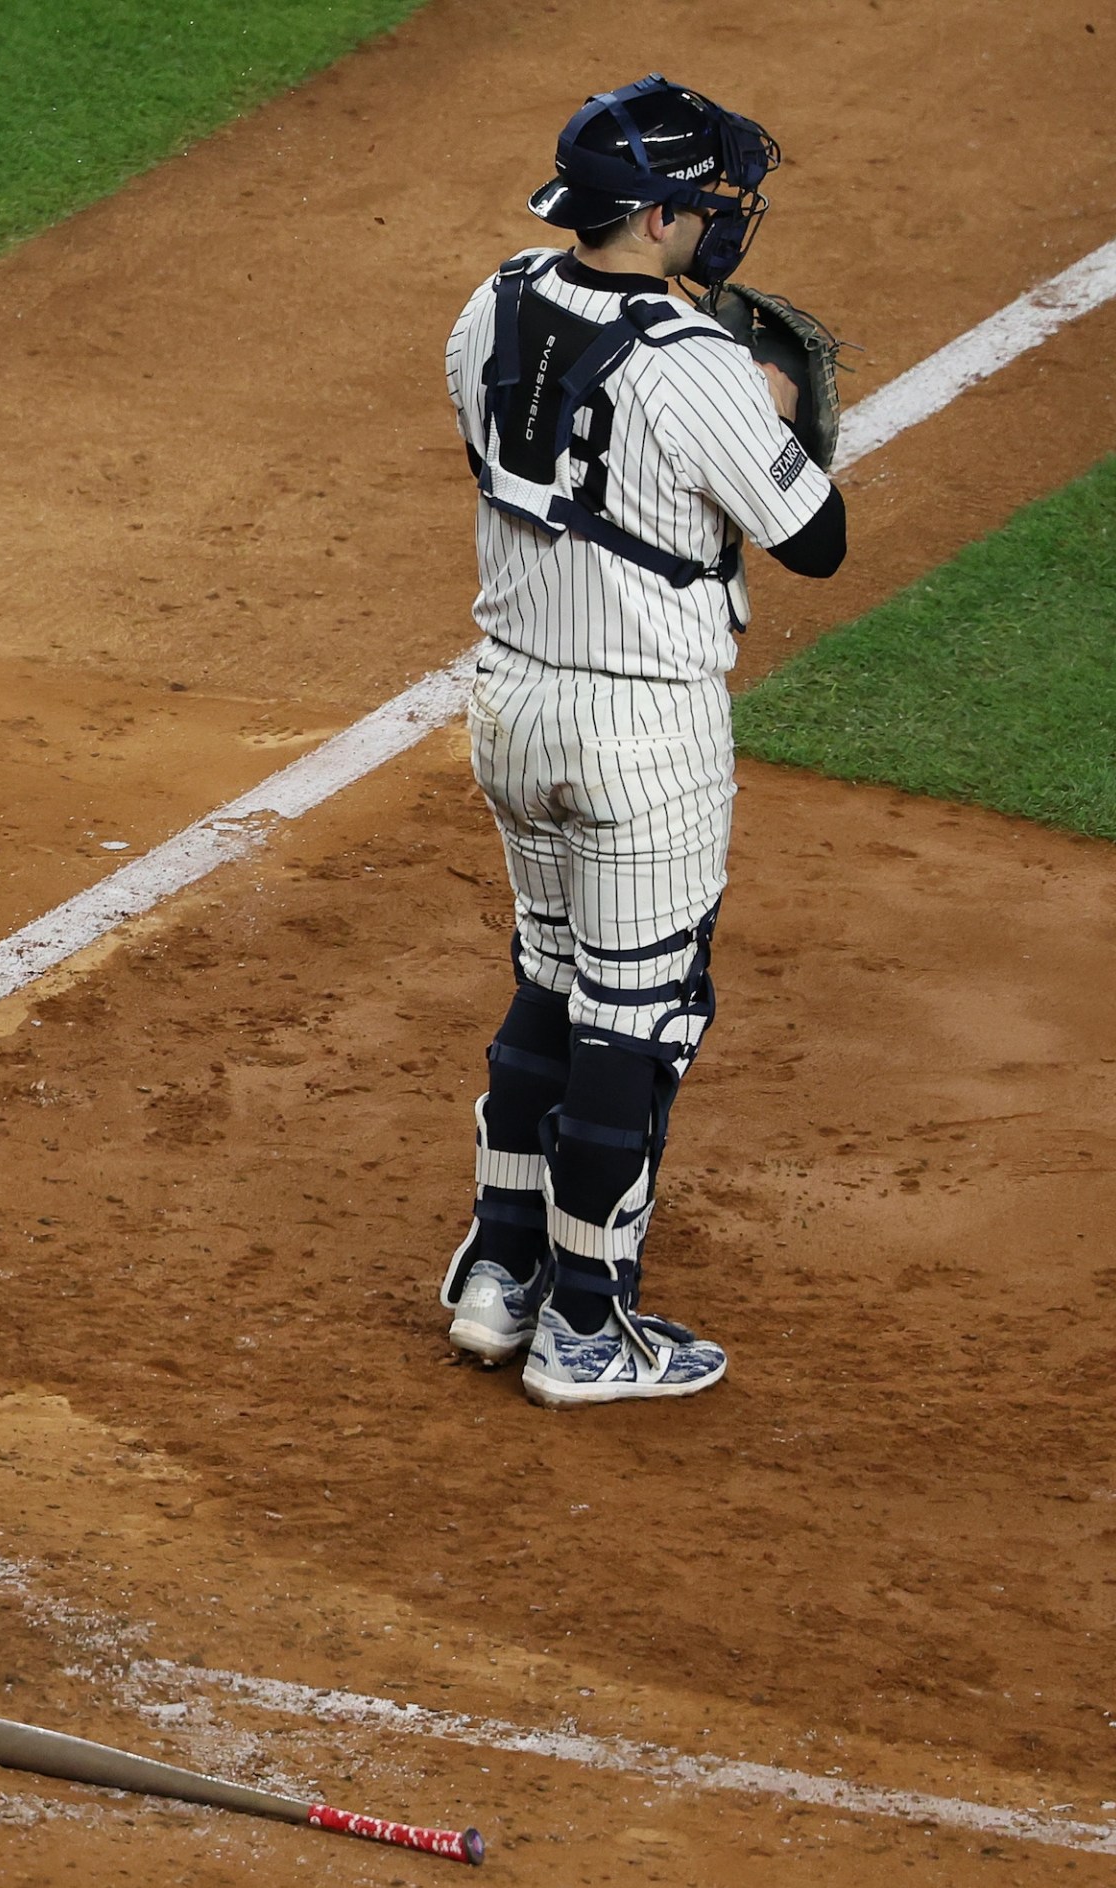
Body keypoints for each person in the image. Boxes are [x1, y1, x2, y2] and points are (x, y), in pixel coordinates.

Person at [436, 77, 847, 1407]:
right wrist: (777, 420)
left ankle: (500, 1280)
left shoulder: (488, 303)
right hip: (642, 730)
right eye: (706, 204)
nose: (720, 221)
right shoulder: (698, 367)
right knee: (638, 1019)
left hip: (510, 700)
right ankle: (588, 1330)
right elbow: (815, 539)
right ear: (659, 217)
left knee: (546, 981)